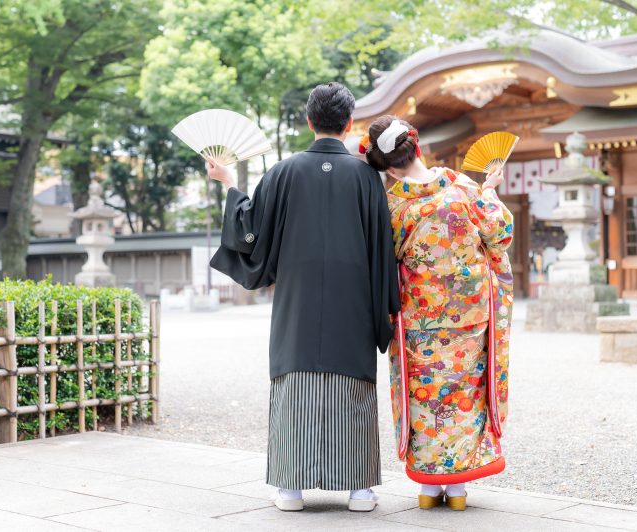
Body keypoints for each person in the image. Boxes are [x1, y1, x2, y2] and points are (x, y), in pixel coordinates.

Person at [205, 82, 400, 512]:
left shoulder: (283, 171)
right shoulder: (368, 177)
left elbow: (250, 232)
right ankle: (360, 489)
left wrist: (229, 183)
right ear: (349, 125)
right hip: (355, 303)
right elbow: (382, 246)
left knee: (296, 384)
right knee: (353, 385)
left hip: (298, 299)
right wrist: (387, 304)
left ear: (308, 122)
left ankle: (291, 489)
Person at [360, 115, 513, 511]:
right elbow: (499, 233)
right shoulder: (463, 188)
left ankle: (429, 488)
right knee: (464, 393)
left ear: (387, 167)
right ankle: (459, 489)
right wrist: (491, 192)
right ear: (418, 147)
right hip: (469, 319)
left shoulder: (392, 206)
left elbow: (382, 259)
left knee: (425, 397)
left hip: (419, 323)